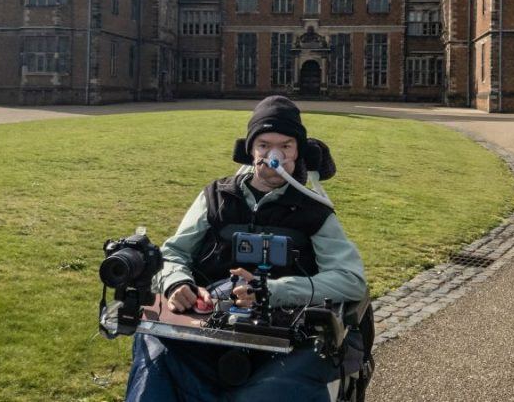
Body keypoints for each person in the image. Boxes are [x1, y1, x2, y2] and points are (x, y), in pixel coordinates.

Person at [125, 96, 368, 401]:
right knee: (156, 356)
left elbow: (351, 279)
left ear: (298, 152)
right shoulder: (216, 197)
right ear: (251, 149)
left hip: (286, 338)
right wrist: (177, 282)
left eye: (286, 145)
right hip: (210, 326)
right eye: (264, 144)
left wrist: (273, 291)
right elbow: (173, 253)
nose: (273, 154)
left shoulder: (314, 210)